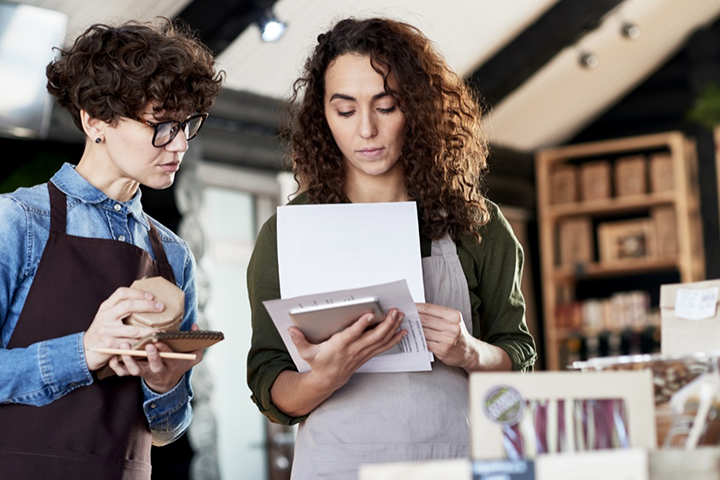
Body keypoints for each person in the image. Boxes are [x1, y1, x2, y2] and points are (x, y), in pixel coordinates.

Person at [247, 16, 537, 479]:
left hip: (456, 462)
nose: (366, 130)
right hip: (337, 465)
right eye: (345, 111)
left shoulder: (475, 224)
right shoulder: (287, 233)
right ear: (322, 116)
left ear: (418, 110)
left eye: (386, 107)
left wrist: (469, 351)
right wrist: (324, 377)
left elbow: (518, 359)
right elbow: (269, 382)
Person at [0, 18, 223, 479]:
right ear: (95, 120)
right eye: (161, 125)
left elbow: (168, 430)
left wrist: (164, 384)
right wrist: (83, 351)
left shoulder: (172, 253)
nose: (179, 144)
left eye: (187, 125)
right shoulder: (18, 221)